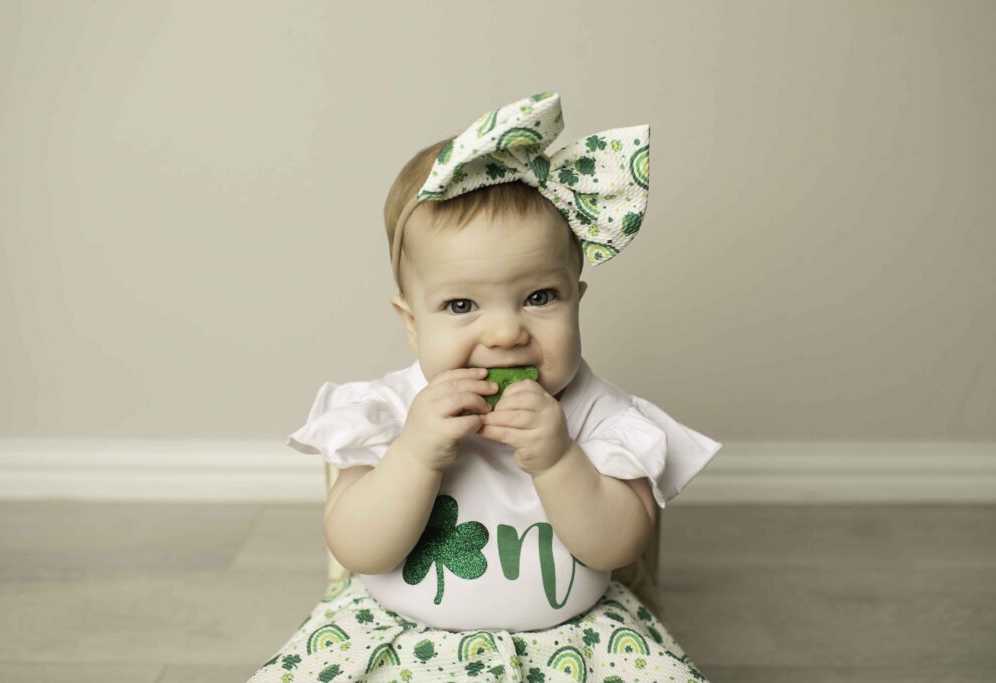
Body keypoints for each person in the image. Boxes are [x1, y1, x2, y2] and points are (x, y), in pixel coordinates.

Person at [248, 91, 721, 682]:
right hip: (402, 638)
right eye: (461, 304)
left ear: (577, 298)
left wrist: (557, 460)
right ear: (412, 322)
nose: (503, 332)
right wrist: (415, 453)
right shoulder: (386, 410)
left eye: (539, 297)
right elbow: (359, 549)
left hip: (573, 639)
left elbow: (617, 547)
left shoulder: (601, 414)